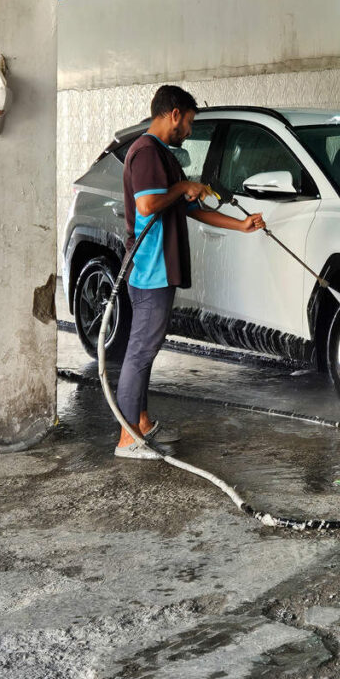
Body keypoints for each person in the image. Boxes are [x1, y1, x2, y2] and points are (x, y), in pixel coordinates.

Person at [114, 84, 265, 459]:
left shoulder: (161, 154)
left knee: (144, 350)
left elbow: (189, 209)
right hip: (151, 269)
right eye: (190, 122)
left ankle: (141, 422)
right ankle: (127, 438)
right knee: (140, 352)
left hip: (157, 269)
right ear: (174, 113)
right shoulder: (147, 151)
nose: (190, 131)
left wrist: (240, 225)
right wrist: (183, 185)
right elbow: (148, 205)